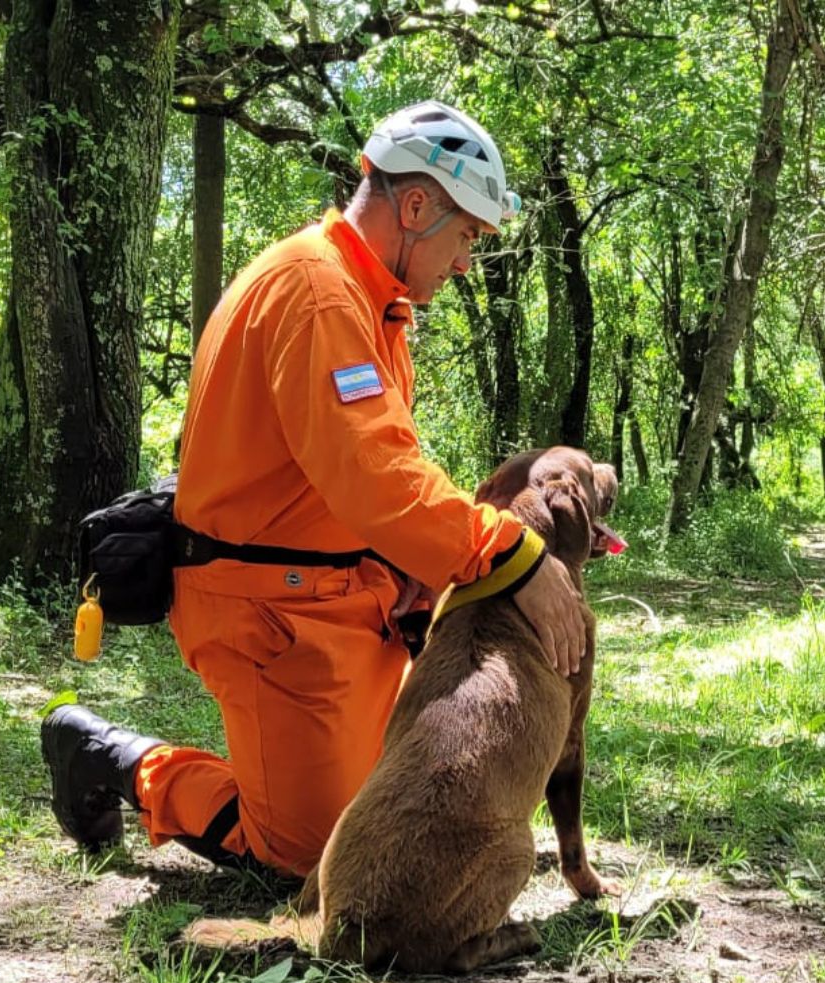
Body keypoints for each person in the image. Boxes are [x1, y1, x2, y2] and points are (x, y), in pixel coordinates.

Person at [41, 101, 586, 878]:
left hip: (341, 603)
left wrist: (410, 571)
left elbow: (354, 475)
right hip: (268, 613)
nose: (466, 262)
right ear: (417, 204)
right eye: (466, 235)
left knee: (400, 808)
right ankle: (114, 760)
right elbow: (378, 480)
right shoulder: (318, 294)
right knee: (313, 860)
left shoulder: (368, 301)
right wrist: (515, 557)